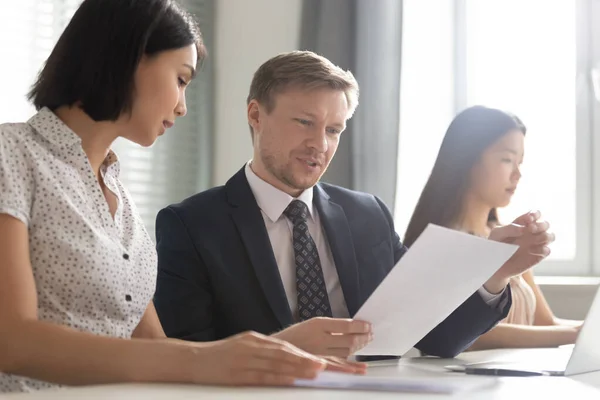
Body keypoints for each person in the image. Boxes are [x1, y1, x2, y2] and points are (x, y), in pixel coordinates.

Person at [0, 1, 363, 393]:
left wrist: (282, 348)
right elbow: (12, 342)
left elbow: (153, 349)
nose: (183, 106)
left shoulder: (118, 195)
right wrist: (202, 359)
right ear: (129, 58)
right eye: (181, 78)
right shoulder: (12, 155)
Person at [154, 51, 555, 359]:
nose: (320, 145)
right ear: (256, 115)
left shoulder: (368, 216)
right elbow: (185, 356)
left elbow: (439, 338)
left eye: (334, 130)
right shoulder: (190, 226)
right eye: (304, 123)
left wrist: (495, 272)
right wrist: (283, 346)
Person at [404, 105, 581, 350]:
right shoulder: (439, 243)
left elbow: (546, 322)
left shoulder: (507, 237)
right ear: (466, 159)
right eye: (507, 159)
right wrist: (575, 334)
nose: (517, 173)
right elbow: (468, 334)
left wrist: (584, 330)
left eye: (520, 162)